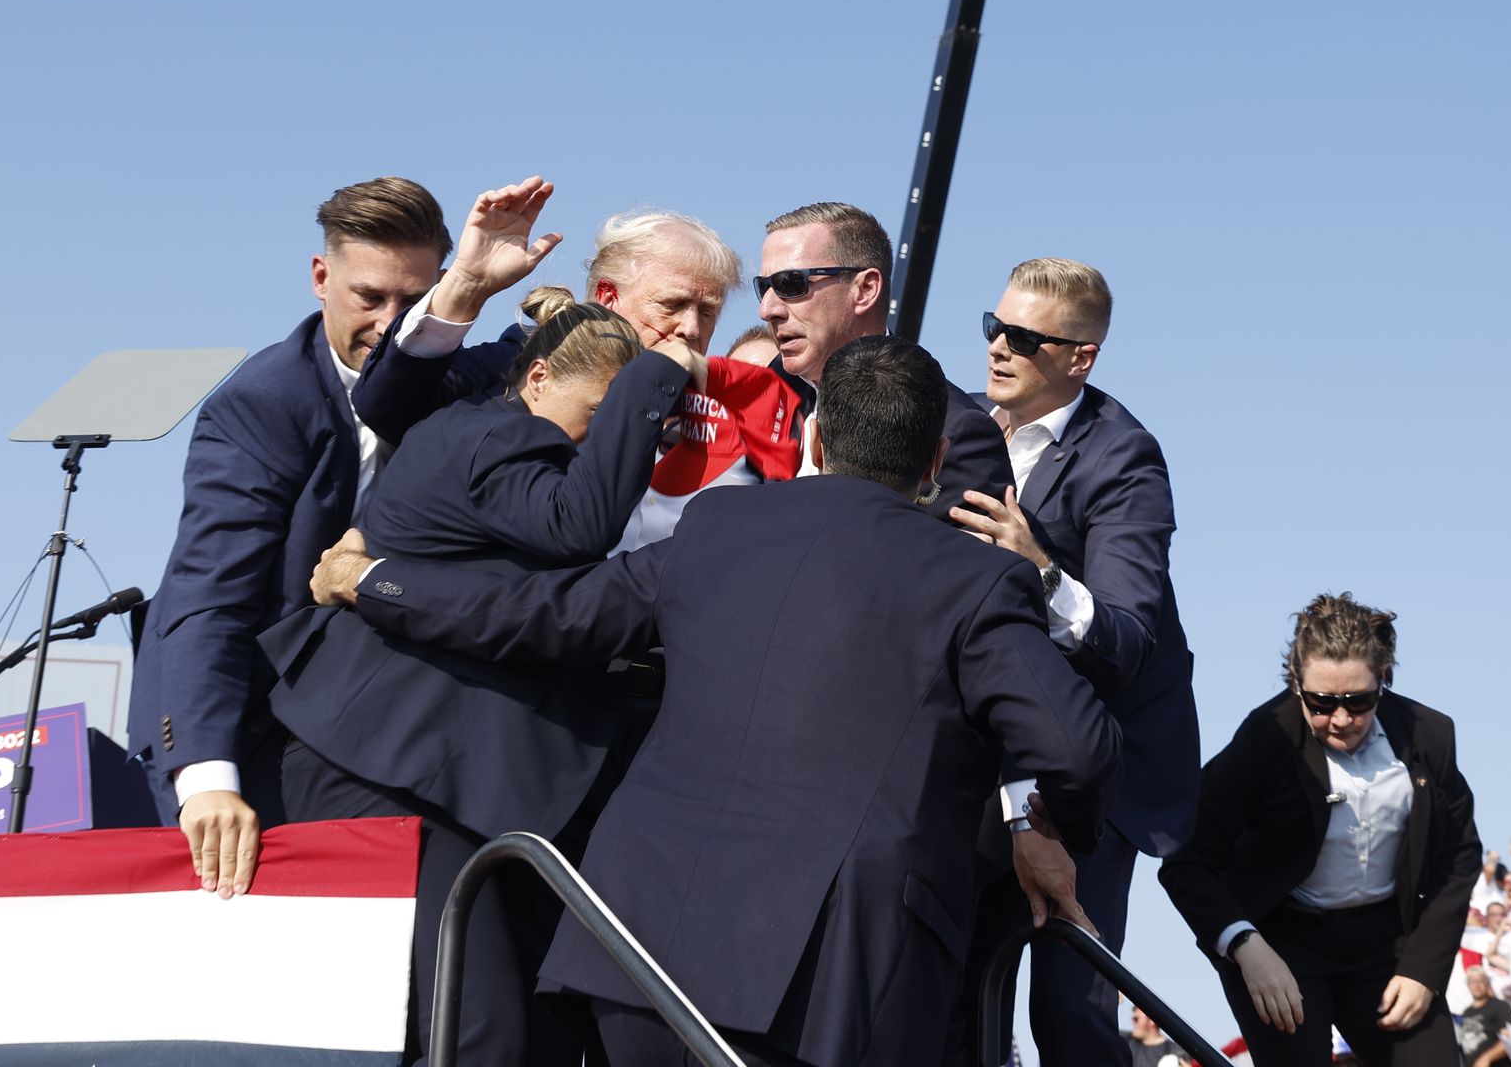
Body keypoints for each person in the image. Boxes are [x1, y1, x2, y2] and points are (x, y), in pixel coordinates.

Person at [308, 335, 1124, 1067]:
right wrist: (1054, 829)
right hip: (827, 982)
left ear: (813, 438)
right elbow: (1078, 746)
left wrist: (375, 580)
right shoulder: (976, 579)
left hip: (639, 953)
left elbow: (544, 618)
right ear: (938, 459)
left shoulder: (714, 528)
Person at [263, 292, 701, 1067]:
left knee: (494, 1032)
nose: (606, 436)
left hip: (439, 775)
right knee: (475, 1036)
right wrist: (657, 374)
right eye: (597, 408)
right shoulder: (498, 436)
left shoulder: (488, 431)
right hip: (405, 774)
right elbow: (577, 527)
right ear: (535, 380)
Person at [128, 174, 558, 897]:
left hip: (379, 727)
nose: (390, 323)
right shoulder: (260, 407)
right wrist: (205, 777)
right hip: (252, 729)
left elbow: (548, 360)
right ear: (321, 278)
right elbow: (208, 599)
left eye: (412, 301)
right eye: (369, 298)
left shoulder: (459, 376)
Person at [950, 256, 1201, 1064]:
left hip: (1096, 766)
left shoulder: (1124, 459)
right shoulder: (957, 429)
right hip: (991, 752)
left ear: (1080, 357)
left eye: (1024, 338)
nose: (998, 348)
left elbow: (1125, 639)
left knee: (1068, 1010)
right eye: (995, 327)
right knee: (953, 983)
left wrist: (1041, 569)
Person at [1159, 592, 1482, 1066]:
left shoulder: (1430, 736)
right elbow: (1185, 860)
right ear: (1296, 682)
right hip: (1281, 947)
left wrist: (1425, 970)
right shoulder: (1264, 738)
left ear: (1384, 678)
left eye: (1359, 700)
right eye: (1322, 702)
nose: (1341, 719)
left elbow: (1460, 855)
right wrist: (1245, 945)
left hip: (1386, 947)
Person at [754, 201, 1013, 524]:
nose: (767, 309)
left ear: (865, 289)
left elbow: (955, 568)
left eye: (791, 284)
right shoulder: (764, 395)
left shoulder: (955, 430)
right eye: (763, 288)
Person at [576, 211, 805, 555]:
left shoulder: (744, 430)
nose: (692, 329)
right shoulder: (536, 397)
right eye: (672, 305)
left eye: (708, 311)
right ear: (607, 299)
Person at [1459, 965, 1511, 1067]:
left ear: (1487, 983)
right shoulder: (1466, 1012)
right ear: (1468, 985)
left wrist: (1486, 1058)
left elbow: (1509, 1039)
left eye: (1480, 981)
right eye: (1472, 981)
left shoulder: (1500, 1006)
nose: (1477, 985)